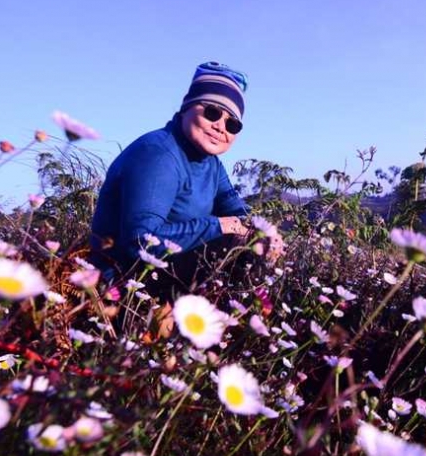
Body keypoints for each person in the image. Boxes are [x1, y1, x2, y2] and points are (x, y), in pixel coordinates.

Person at [90, 62, 283, 294]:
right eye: (212, 112)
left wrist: (263, 234)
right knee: (232, 242)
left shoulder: (210, 163)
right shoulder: (158, 155)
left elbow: (236, 212)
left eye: (232, 124)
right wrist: (218, 226)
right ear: (187, 107)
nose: (220, 126)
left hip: (169, 271)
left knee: (252, 244)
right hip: (125, 283)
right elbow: (140, 241)